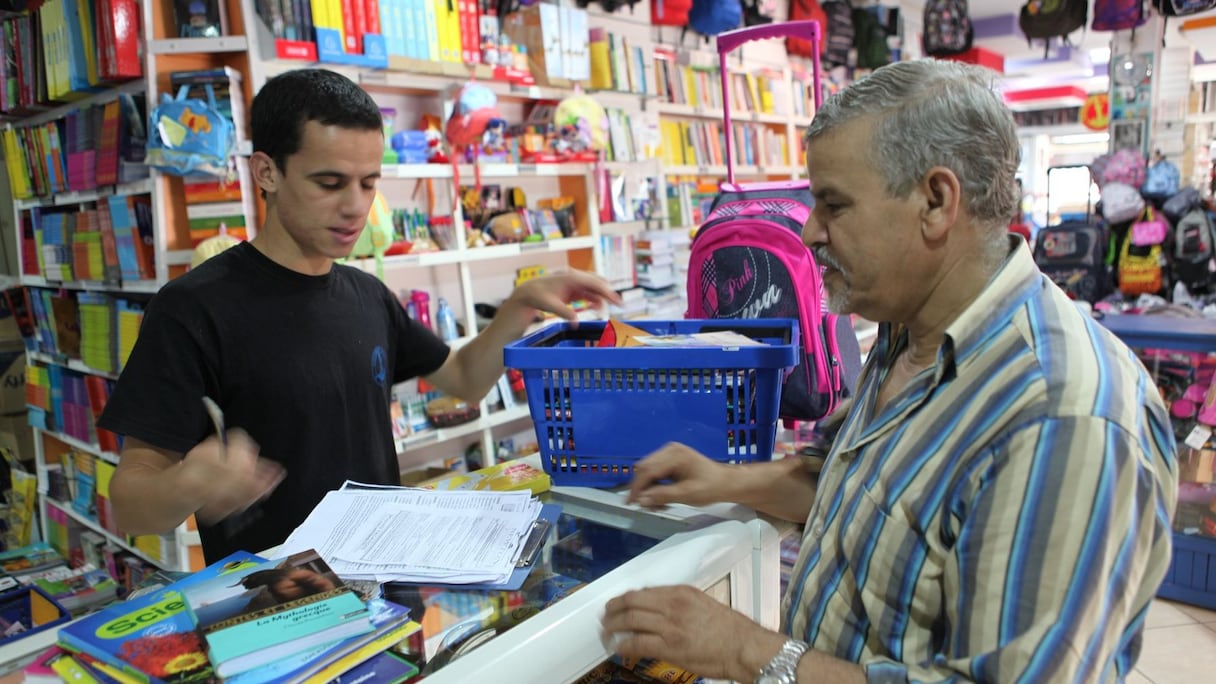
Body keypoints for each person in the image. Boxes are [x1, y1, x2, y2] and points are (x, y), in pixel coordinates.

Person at [601, 60, 1177, 683]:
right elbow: (861, 488)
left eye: (833, 205)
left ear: (935, 201)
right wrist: (724, 480)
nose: (811, 232)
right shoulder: (911, 321)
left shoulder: (1062, 420)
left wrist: (749, 652)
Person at [98, 68, 620, 563]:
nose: (356, 207)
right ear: (266, 172)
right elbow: (129, 502)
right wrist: (187, 483)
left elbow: (464, 380)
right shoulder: (192, 307)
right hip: (282, 614)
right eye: (329, 183)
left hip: (390, 591)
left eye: (368, 183)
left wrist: (518, 307)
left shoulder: (367, 294)